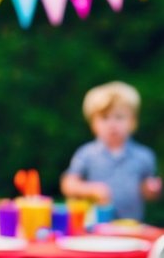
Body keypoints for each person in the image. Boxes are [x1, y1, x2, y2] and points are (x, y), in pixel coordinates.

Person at [60, 81, 161, 221]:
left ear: (133, 122)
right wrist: (90, 189)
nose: (112, 124)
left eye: (119, 117)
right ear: (93, 124)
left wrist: (151, 190)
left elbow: (148, 194)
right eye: (104, 118)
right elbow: (68, 184)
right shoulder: (87, 153)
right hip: (95, 227)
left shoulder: (144, 156)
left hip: (131, 227)